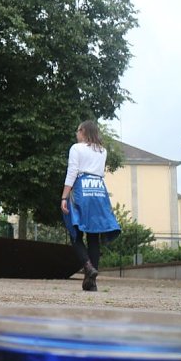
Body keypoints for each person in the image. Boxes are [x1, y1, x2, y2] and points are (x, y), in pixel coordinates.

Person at [61, 120, 121, 292]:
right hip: (99, 190)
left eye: (78, 130)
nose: (76, 133)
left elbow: (72, 171)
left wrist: (64, 196)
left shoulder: (76, 148)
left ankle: (88, 267)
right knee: (93, 236)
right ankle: (91, 282)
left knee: (75, 233)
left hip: (83, 189)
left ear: (84, 131)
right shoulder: (102, 150)